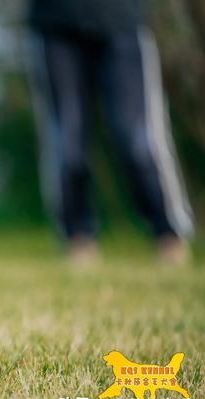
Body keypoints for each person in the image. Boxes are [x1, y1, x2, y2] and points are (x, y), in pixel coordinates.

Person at [27, 0, 193, 264]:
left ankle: (168, 234)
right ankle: (77, 239)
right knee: (67, 142)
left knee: (139, 139)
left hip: (122, 21)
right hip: (55, 24)